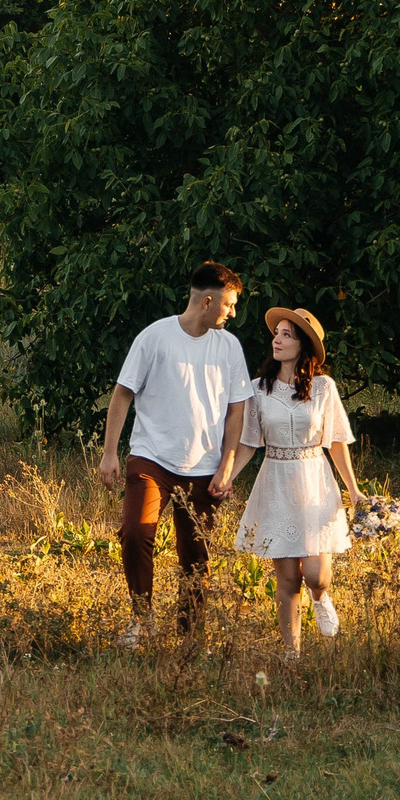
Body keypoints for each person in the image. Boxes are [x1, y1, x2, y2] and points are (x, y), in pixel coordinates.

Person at [95, 261, 252, 646]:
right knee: (135, 533)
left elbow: (237, 411)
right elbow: (122, 393)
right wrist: (109, 453)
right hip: (152, 458)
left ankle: (189, 634)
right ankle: (142, 620)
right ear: (208, 302)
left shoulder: (229, 347)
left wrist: (227, 466)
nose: (233, 313)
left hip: (205, 467)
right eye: (229, 305)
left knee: (195, 552)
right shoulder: (155, 337)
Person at [211, 305, 357, 661]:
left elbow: (336, 440)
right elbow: (248, 441)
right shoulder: (259, 389)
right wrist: (227, 475)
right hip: (275, 479)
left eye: (286, 335)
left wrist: (353, 488)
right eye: (276, 334)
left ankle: (321, 598)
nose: (277, 339)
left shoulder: (323, 387)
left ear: (303, 345)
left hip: (315, 480)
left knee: (315, 575)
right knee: (289, 578)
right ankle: (291, 651)